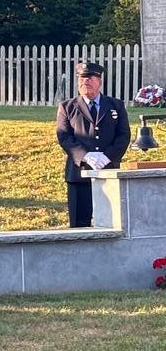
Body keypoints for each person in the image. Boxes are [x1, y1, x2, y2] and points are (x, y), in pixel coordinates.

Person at [57, 61, 131, 228]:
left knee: (112, 224)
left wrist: (108, 156)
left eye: (90, 78)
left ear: (100, 81)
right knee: (78, 227)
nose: (85, 82)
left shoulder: (115, 105)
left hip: (109, 173)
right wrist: (85, 156)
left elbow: (124, 135)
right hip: (79, 174)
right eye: (82, 79)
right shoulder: (67, 107)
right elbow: (64, 137)